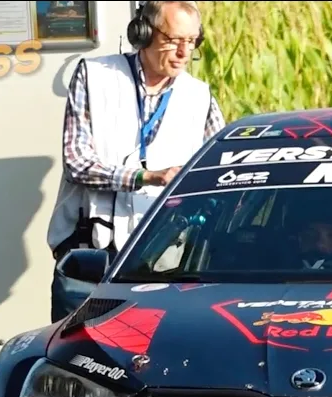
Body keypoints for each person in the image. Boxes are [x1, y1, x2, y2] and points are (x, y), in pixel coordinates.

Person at [46, 0, 225, 321]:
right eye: (174, 40)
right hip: (92, 258)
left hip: (163, 261)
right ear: (143, 33)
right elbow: (77, 162)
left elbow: (222, 169)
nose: (184, 52)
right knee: (76, 347)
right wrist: (147, 177)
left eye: (192, 41)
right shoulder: (95, 76)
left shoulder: (199, 95)